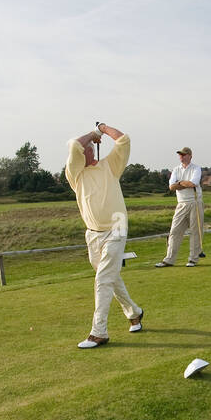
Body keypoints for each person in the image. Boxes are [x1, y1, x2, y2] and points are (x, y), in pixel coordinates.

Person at [64, 121, 143, 348]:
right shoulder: (75, 174)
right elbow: (73, 147)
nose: (82, 151)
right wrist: (92, 134)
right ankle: (134, 312)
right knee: (111, 277)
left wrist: (103, 128)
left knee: (103, 279)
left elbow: (123, 140)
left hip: (116, 228)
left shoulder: (110, 165)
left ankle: (99, 332)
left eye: (87, 148)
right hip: (93, 234)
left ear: (92, 151)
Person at [157, 146, 204, 267]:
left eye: (184, 154)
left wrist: (179, 183)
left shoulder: (196, 168)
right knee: (174, 231)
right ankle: (169, 259)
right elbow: (171, 187)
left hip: (195, 202)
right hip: (181, 203)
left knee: (195, 232)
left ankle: (193, 259)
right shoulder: (176, 169)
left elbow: (193, 183)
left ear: (190, 156)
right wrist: (183, 183)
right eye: (180, 155)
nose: (181, 157)